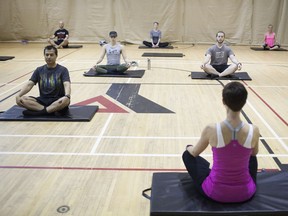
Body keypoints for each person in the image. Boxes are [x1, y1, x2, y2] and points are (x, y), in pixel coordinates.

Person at [182, 81, 260, 203]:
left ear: (223, 101)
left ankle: (215, 173)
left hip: (215, 193)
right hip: (246, 193)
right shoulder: (254, 130)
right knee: (252, 157)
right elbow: (254, 154)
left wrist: (188, 147)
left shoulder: (211, 129)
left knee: (187, 155)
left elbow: (194, 153)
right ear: (244, 102)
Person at [16, 45, 71, 116]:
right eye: (47, 55)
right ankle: (49, 110)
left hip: (57, 100)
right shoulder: (39, 70)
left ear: (56, 56)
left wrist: (67, 95)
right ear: (44, 56)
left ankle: (39, 112)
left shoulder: (63, 70)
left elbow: (67, 84)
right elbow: (29, 85)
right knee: (22, 99)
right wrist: (18, 95)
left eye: (51, 55)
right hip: (42, 100)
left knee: (65, 101)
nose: (49, 57)